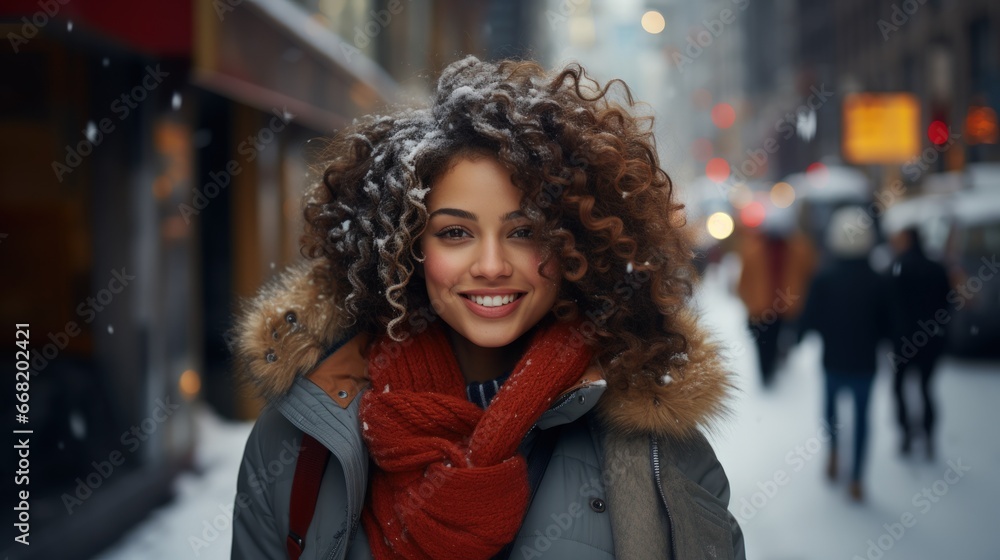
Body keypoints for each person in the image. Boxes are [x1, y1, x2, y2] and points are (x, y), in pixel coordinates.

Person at [230, 56, 745, 560]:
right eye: (455, 233)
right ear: (406, 247)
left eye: (524, 232)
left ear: (576, 248)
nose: (493, 265)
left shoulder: (658, 454)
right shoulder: (297, 445)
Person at [800, 206, 890, 502]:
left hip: (833, 361)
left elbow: (810, 318)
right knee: (863, 418)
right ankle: (857, 478)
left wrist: (797, 338)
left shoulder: (824, 278)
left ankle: (834, 451)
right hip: (865, 363)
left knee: (830, 412)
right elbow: (889, 324)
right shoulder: (878, 280)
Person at [885, 227, 951, 459]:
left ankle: (905, 433)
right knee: (926, 388)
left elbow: (886, 306)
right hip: (930, 340)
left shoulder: (896, 268)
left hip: (903, 341)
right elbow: (948, 304)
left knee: (900, 387)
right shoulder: (936, 268)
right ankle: (929, 436)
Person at [737, 208, 816, 387]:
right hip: (764, 309)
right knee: (766, 346)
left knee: (772, 345)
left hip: (783, 309)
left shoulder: (799, 248)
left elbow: (809, 276)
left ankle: (769, 371)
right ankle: (767, 374)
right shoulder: (754, 250)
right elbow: (744, 283)